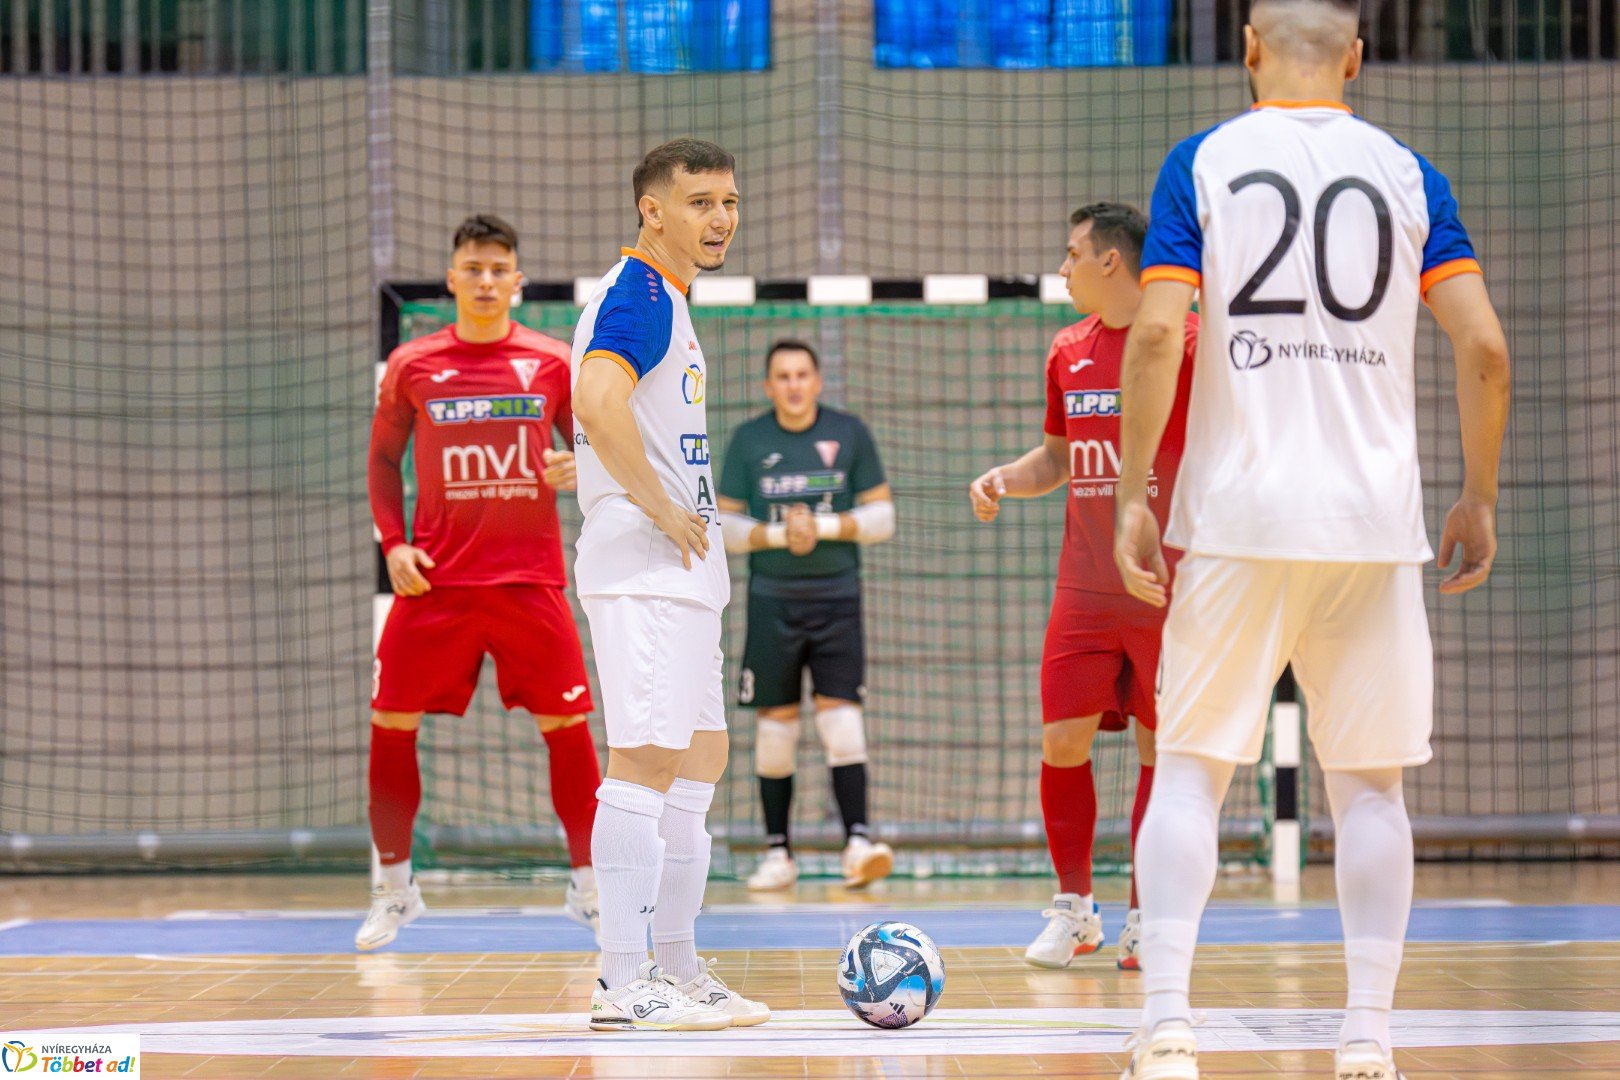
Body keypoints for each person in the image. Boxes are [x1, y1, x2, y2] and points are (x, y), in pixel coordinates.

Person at [1111, 0, 1511, 1074]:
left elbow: (1154, 331)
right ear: (1359, 59)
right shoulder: (1410, 175)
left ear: (1248, 50)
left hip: (1238, 520)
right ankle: (1368, 1041)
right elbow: (1484, 348)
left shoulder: (1203, 161)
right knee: (1372, 785)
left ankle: (1167, 1028)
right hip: (1373, 529)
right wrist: (1476, 495)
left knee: (1191, 771)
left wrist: (1134, 498)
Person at [570, 138, 770, 1031]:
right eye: (699, 202)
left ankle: (680, 967)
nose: (720, 217)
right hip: (645, 566)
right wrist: (656, 505)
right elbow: (595, 399)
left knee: (700, 761)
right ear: (653, 210)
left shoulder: (672, 301)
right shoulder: (640, 294)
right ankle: (621, 980)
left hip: (684, 573)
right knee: (645, 763)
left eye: (728, 200)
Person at [363, 213, 602, 950]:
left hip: (529, 581)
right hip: (434, 584)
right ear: (453, 278)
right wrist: (394, 546)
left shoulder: (553, 362)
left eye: (500, 269)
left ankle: (590, 888)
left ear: (519, 281)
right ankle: (394, 889)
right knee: (389, 724)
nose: (487, 281)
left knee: (569, 729)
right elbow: (380, 463)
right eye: (474, 268)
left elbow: (595, 449)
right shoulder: (412, 364)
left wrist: (581, 465)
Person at [969, 203, 1196, 972]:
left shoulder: (1190, 343)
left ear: (1111, 261)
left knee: (1162, 748)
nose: (1061, 270)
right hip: (1084, 590)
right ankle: (1076, 911)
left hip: (1169, 588)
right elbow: (1058, 458)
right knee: (1061, 741)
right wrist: (1005, 476)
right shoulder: (1068, 349)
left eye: (1071, 255)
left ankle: (1148, 914)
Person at [717, 340, 898, 892]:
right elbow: (721, 528)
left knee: (841, 720)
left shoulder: (849, 433)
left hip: (837, 597)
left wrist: (819, 528)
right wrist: (778, 535)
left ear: (818, 382)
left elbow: (883, 515)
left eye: (802, 375)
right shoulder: (749, 440)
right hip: (772, 599)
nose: (793, 384)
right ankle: (779, 855)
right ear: (768, 387)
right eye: (782, 376)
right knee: (775, 731)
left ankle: (858, 845)